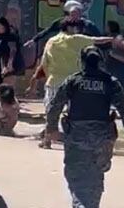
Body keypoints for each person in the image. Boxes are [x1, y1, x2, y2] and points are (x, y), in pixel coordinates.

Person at [45, 46, 124, 208]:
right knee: (96, 174)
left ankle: (80, 206)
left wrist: (51, 129)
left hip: (77, 136)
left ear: (82, 61)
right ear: (101, 61)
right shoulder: (110, 82)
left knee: (75, 175)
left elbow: (55, 104)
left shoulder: (73, 81)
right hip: (102, 137)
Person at [39, 19, 113, 148]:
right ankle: (73, 138)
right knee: (73, 111)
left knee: (51, 111)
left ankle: (47, 140)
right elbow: (98, 40)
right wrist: (113, 38)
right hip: (74, 83)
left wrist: (49, 76)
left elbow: (44, 63)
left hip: (54, 81)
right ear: (71, 28)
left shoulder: (50, 42)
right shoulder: (76, 39)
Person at [24, 0, 101, 48]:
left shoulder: (87, 24)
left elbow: (98, 36)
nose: (75, 16)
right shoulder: (61, 22)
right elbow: (47, 31)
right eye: (73, 13)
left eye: (78, 13)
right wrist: (34, 40)